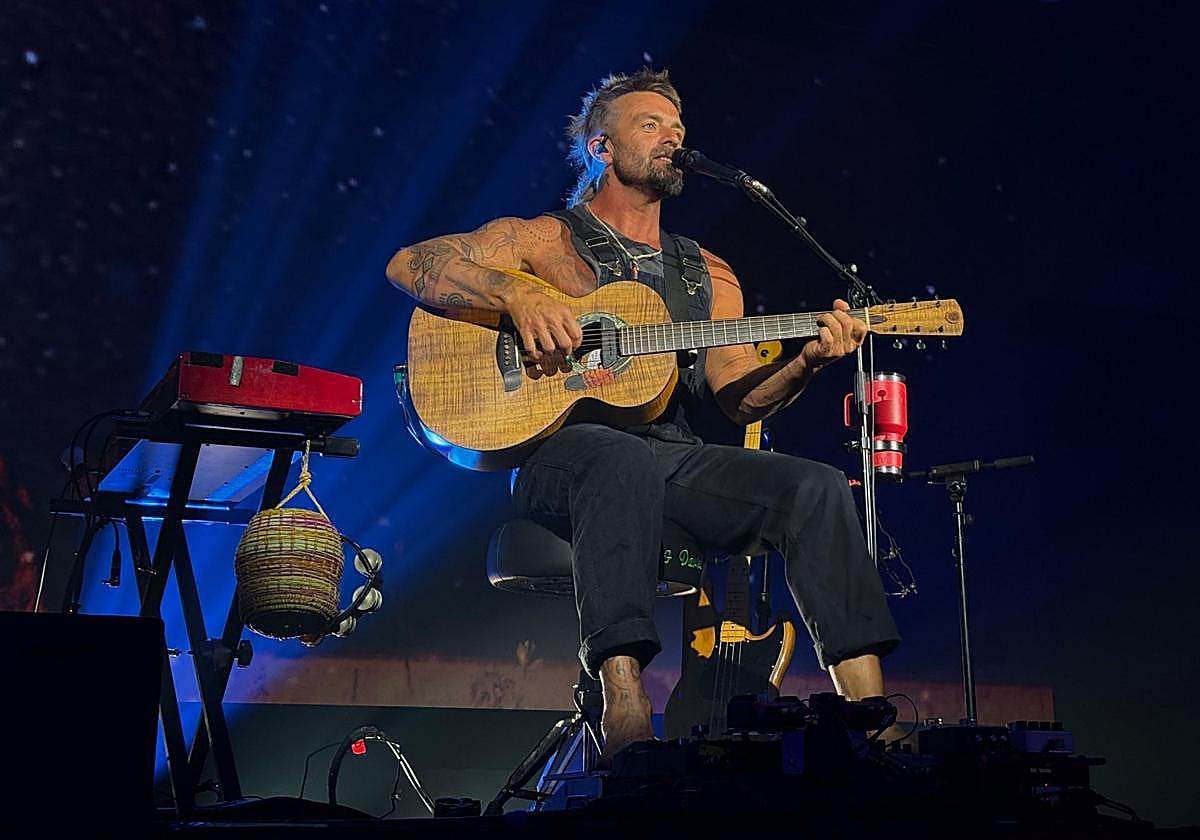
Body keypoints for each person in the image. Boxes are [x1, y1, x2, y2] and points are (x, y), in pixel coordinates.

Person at [386, 68, 899, 765]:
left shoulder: (707, 273)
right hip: (559, 453)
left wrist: (807, 362)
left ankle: (868, 716)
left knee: (811, 486)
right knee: (614, 457)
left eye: (678, 127)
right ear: (601, 146)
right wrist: (515, 294)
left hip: (672, 456)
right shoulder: (544, 239)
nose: (673, 137)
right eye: (650, 124)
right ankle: (622, 699)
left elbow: (737, 397)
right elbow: (412, 262)